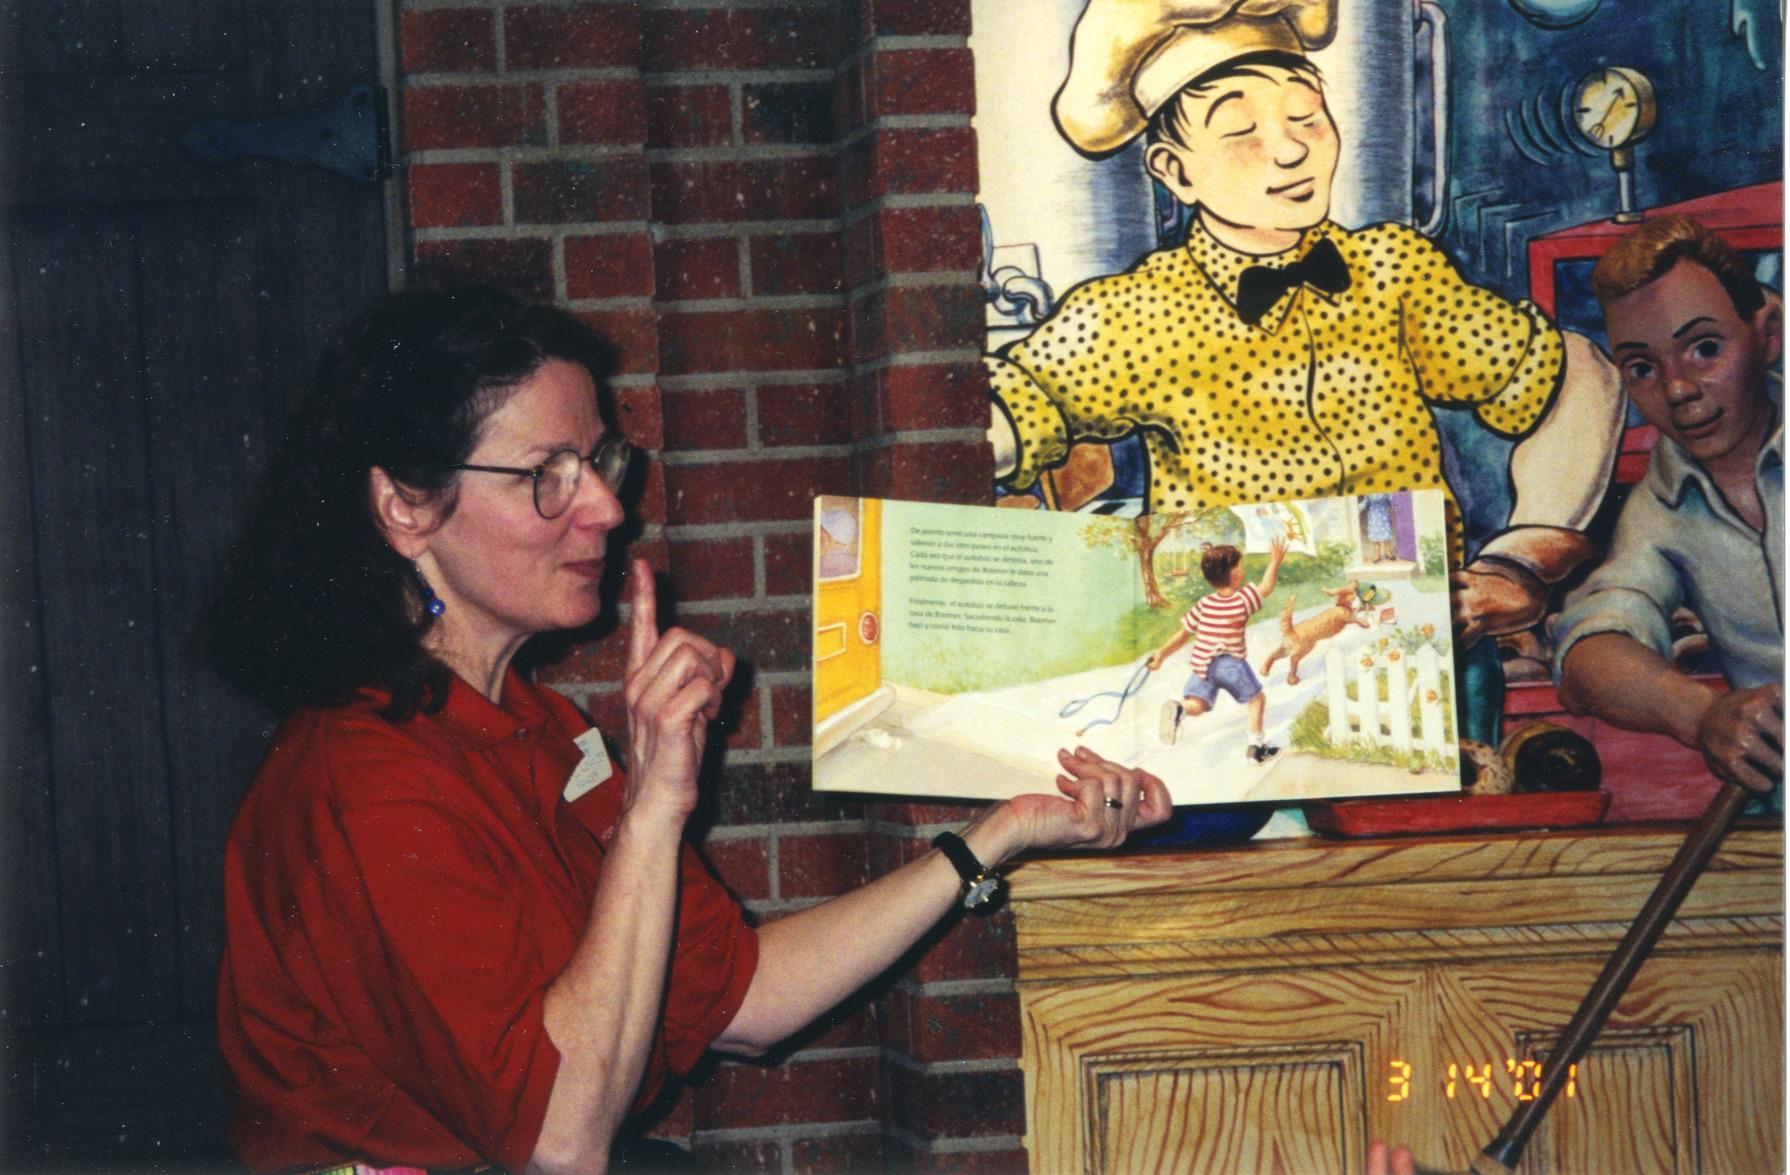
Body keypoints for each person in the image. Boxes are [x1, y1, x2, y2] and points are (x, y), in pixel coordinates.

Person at [202, 285, 1173, 1174]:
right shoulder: (362, 778)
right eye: (546, 474)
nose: (606, 506)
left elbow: (746, 1000)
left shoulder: (538, 727)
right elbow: (561, 1140)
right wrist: (654, 805)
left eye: (598, 463)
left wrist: (999, 833)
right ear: (406, 507)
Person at [984, 0, 1626, 744]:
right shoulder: (1134, 314)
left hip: (1423, 669)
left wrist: (1521, 561)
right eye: (1242, 130)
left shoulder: (1394, 272)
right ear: (1174, 170)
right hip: (1239, 689)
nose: (1291, 150)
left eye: (1306, 116)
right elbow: (1000, 417)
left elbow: (1578, 374)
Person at [1554, 214, 1784, 806]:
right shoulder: (1658, 510)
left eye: (1705, 349)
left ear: (1768, 334)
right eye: (1643, 368)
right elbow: (1588, 650)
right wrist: (1702, 714)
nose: (1678, 388)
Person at [1146, 535, 1288, 760]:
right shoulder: (1242, 600)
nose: (1243, 570)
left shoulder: (1204, 604)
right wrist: (1275, 561)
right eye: (1241, 566)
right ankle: (1256, 749)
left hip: (1202, 666)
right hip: (1230, 665)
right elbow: (1266, 587)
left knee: (1197, 704)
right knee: (1257, 699)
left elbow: (1183, 634)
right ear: (1235, 574)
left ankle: (1180, 708)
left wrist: (1161, 654)